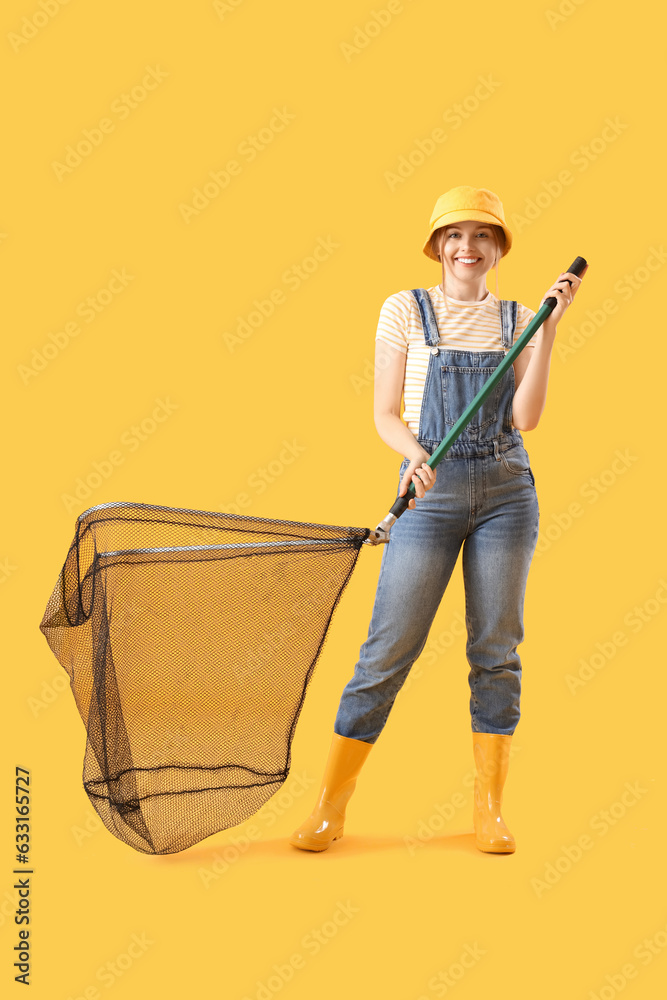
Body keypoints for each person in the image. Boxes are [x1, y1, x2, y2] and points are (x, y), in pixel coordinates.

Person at [289, 186, 586, 855]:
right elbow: (384, 413)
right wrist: (415, 455)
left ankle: (488, 810)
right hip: (430, 493)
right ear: (436, 245)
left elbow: (526, 420)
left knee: (496, 651)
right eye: (454, 235)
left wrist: (548, 334)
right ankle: (329, 806)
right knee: (386, 651)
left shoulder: (518, 320)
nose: (467, 248)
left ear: (498, 247)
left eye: (482, 235)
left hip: (508, 490)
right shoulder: (403, 309)